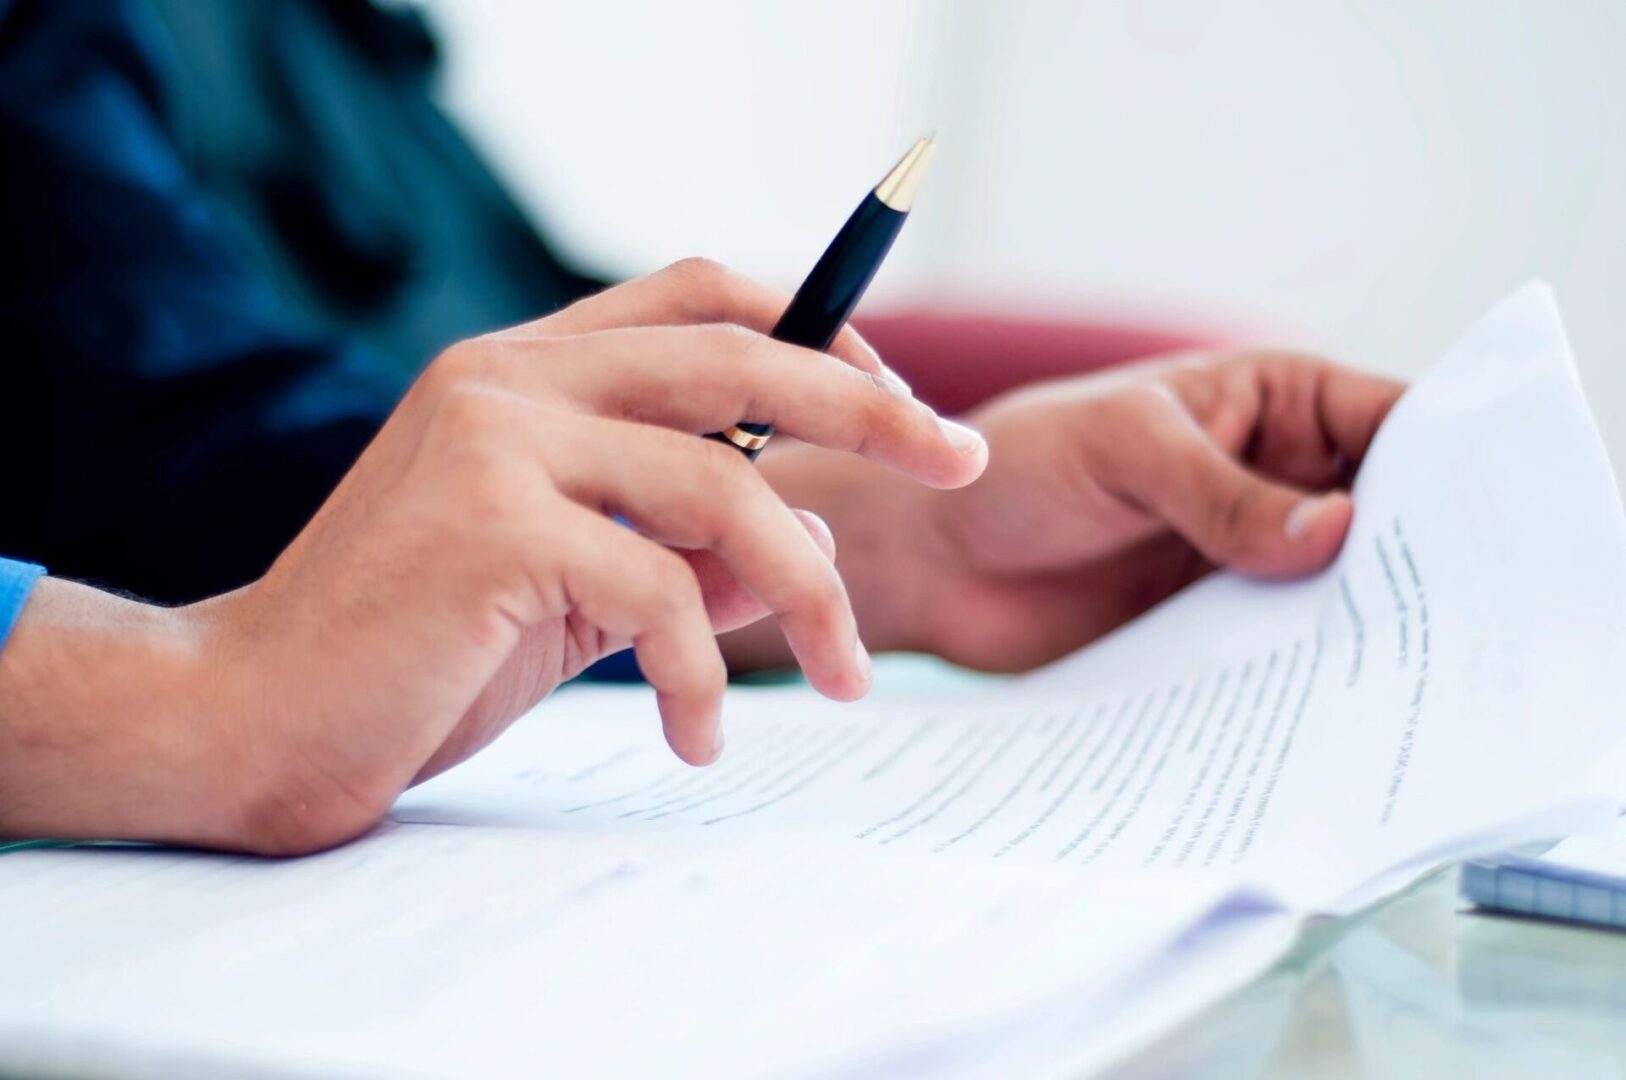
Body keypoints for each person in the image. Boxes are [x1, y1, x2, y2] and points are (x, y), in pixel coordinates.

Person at [0, 2, 1403, 856]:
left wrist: (896, 534)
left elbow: (526, 352)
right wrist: (205, 696)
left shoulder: (336, 38)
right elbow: (189, 443)